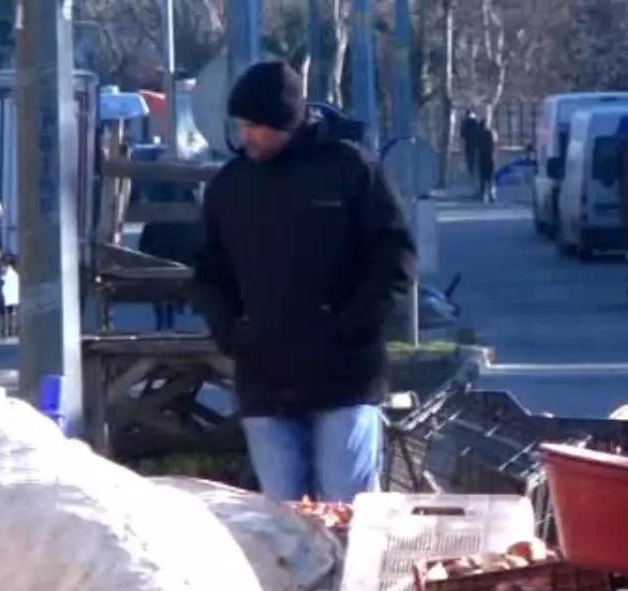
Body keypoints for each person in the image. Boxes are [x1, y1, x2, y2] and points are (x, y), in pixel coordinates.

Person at [191, 60, 417, 503]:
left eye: (256, 126)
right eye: (242, 125)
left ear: (286, 122)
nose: (246, 136)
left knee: (346, 510)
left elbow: (395, 255)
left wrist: (354, 324)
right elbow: (208, 271)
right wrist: (231, 332)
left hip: (344, 376)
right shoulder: (230, 185)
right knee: (283, 518)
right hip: (264, 377)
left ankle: (350, 575)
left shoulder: (351, 169)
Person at [477, 120, 497, 204]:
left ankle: (483, 194)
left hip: (482, 156)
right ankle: (492, 194)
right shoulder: (491, 132)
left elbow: (477, 146)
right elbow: (494, 143)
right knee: (490, 177)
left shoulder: (479, 134)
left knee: (483, 177)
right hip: (490, 156)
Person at [460, 110, 480, 184]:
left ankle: (471, 173)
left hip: (469, 143)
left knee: (470, 159)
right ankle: (475, 173)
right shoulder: (475, 122)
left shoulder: (465, 122)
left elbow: (462, 134)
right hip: (475, 144)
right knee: (475, 159)